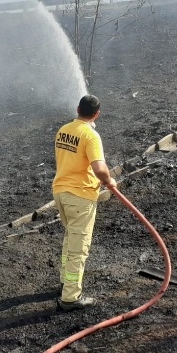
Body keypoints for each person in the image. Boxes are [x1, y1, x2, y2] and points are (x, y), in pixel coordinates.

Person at [53, 94, 117, 311]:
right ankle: (71, 296)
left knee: (70, 238)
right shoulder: (91, 136)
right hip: (80, 196)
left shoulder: (64, 130)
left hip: (60, 192)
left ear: (77, 108)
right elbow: (99, 168)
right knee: (79, 248)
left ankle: (65, 281)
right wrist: (110, 181)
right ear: (97, 114)